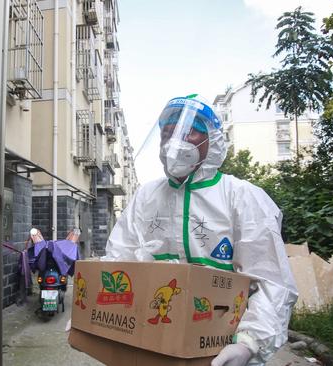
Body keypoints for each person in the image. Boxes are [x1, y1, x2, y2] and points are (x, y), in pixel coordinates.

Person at [103, 94, 298, 366]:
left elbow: (272, 281)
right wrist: (96, 315)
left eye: (189, 132)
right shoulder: (147, 196)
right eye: (167, 134)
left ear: (213, 140)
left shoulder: (241, 197)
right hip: (154, 342)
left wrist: (250, 343)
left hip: (224, 349)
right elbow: (119, 258)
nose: (174, 142)